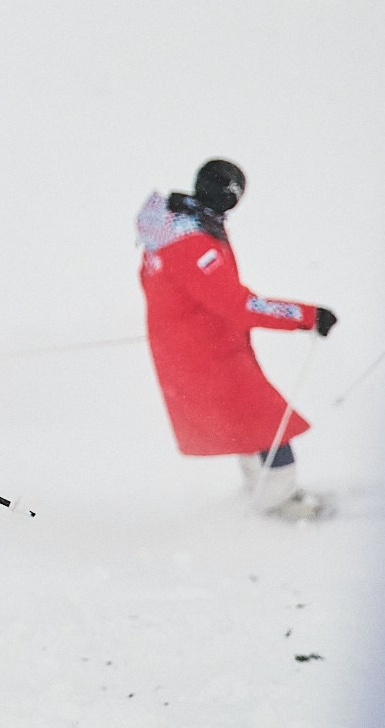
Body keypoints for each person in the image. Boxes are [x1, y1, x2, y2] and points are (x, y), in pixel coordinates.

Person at [137, 159, 336, 521]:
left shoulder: (177, 226)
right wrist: (308, 316)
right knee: (267, 423)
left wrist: (182, 323)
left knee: (250, 425)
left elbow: (178, 293)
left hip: (199, 346)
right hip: (207, 354)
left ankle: (262, 494)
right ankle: (279, 501)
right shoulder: (194, 245)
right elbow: (238, 305)